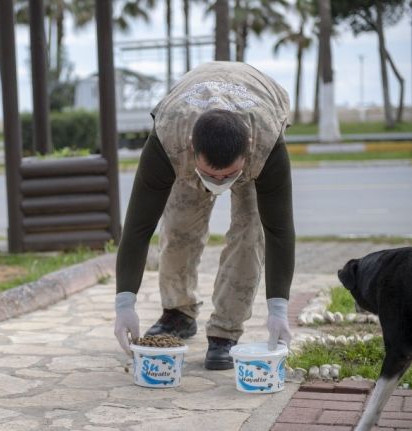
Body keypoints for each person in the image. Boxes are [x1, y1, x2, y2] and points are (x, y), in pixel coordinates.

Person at [113, 61, 294, 370]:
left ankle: (226, 331)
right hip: (187, 114)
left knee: (249, 233)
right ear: (192, 147)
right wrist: (124, 303)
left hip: (261, 101)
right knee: (179, 225)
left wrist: (278, 309)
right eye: (212, 175)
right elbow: (138, 228)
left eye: (229, 175)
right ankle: (178, 313)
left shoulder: (266, 145)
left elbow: (279, 229)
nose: (219, 183)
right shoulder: (168, 139)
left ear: (248, 148)